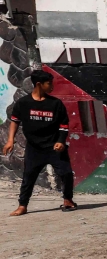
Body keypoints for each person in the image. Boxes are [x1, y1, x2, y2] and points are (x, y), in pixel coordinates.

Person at [2, 70, 76, 216]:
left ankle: (68, 199)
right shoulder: (23, 103)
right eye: (49, 83)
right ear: (39, 84)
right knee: (28, 177)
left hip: (54, 147)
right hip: (34, 148)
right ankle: (22, 205)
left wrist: (61, 141)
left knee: (66, 173)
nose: (52, 86)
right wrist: (11, 139)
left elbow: (64, 125)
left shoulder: (56, 104)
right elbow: (15, 121)